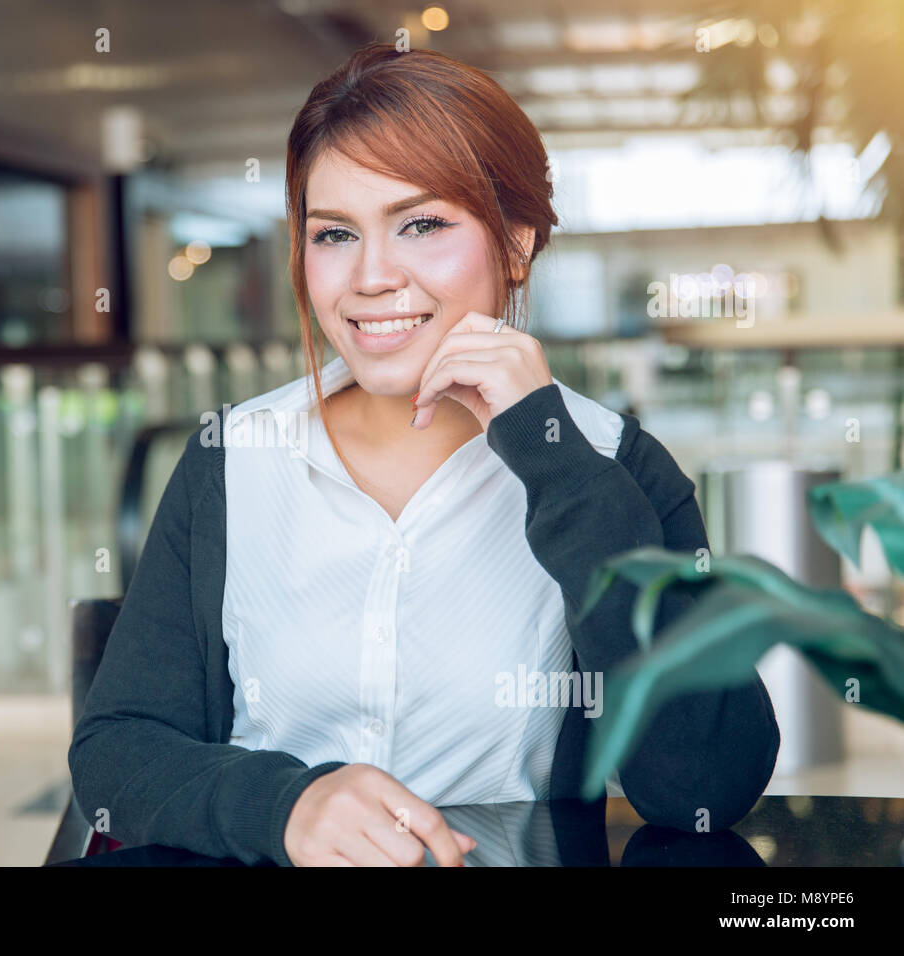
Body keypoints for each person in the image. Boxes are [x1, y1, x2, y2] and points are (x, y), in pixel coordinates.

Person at [68, 41, 779, 867]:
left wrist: (553, 459)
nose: (371, 277)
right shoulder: (231, 459)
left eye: (423, 224)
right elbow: (116, 752)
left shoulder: (614, 466)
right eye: (334, 233)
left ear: (517, 242)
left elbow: (705, 791)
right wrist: (286, 806)